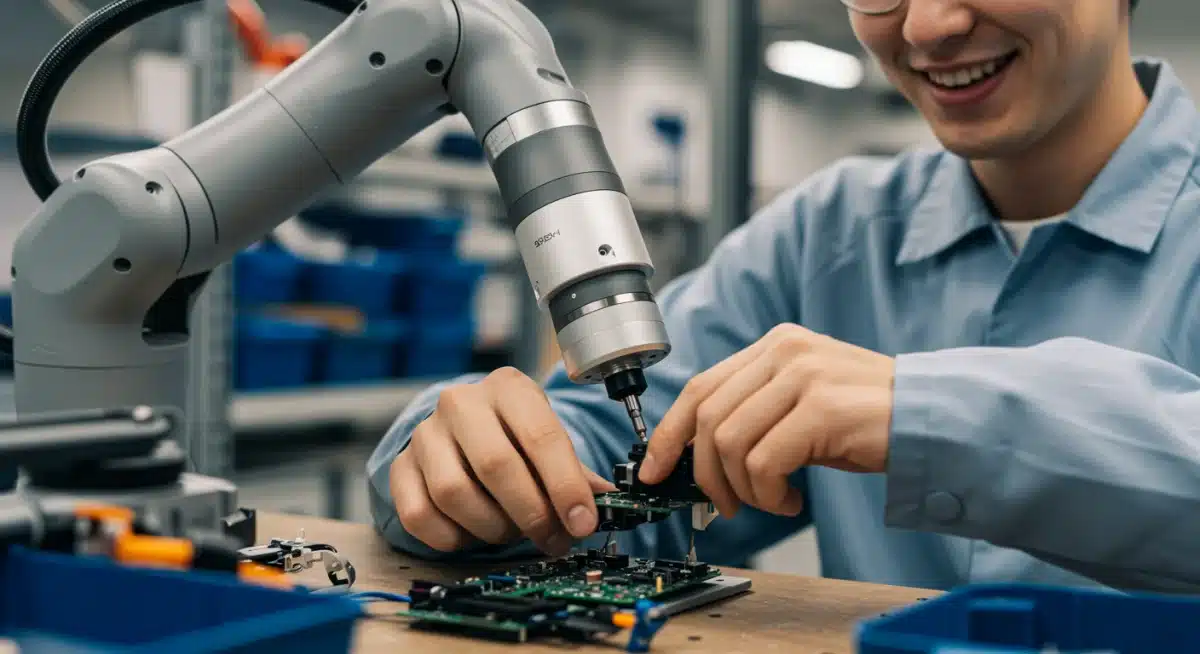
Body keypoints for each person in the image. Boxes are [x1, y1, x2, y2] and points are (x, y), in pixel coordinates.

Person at [367, 0, 1200, 592]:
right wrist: (463, 466)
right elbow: (619, 450)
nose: (929, 26)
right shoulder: (825, 235)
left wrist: (927, 414)